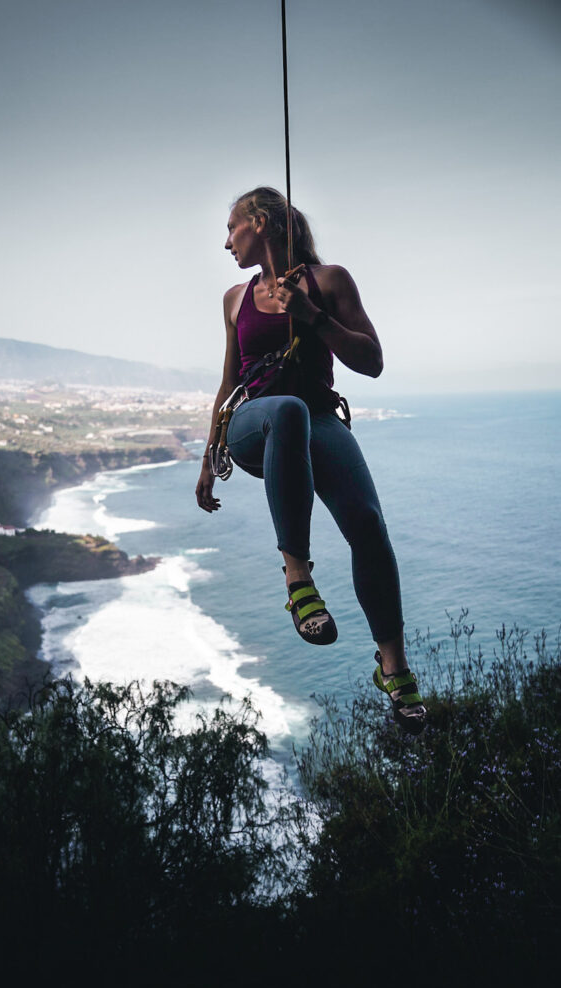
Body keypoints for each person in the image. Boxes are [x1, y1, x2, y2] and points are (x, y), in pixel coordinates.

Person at [195, 186, 426, 735]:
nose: (226, 242)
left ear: (259, 221)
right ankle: (298, 579)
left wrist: (313, 317)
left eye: (232, 228)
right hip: (259, 424)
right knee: (287, 411)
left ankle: (392, 667)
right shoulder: (235, 297)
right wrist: (209, 456)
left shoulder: (329, 282)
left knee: (368, 525)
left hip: (318, 418)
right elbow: (230, 383)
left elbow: (371, 362)